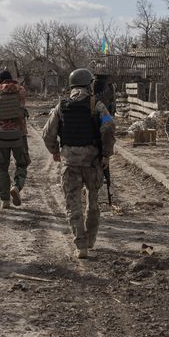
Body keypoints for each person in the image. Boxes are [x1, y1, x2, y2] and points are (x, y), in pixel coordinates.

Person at [41, 68, 116, 259]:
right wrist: (106, 154)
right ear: (89, 85)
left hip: (70, 163)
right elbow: (108, 127)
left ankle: (81, 245)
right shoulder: (97, 105)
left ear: (72, 85)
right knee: (92, 201)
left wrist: (55, 152)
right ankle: (90, 240)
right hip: (92, 162)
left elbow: (47, 133)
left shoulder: (61, 106)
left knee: (72, 203)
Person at [0, 70, 29, 209]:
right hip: (19, 135)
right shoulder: (21, 91)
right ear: (11, 79)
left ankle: (4, 200)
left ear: (0, 81)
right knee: (22, 164)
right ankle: (16, 187)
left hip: (2, 136)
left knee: (3, 168)